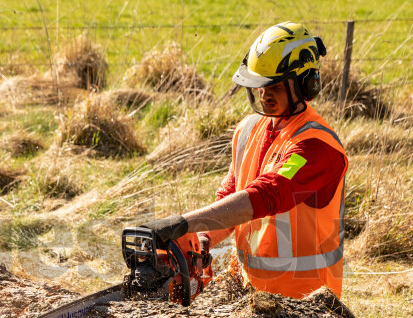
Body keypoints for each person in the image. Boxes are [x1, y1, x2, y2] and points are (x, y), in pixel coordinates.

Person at [141, 22, 348, 298]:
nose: (264, 94)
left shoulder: (317, 147)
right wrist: (203, 239)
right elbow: (231, 199)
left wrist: (183, 222)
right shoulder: (248, 130)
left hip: (307, 304)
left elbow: (264, 195)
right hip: (250, 298)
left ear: (305, 84)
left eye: (273, 85)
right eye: (258, 85)